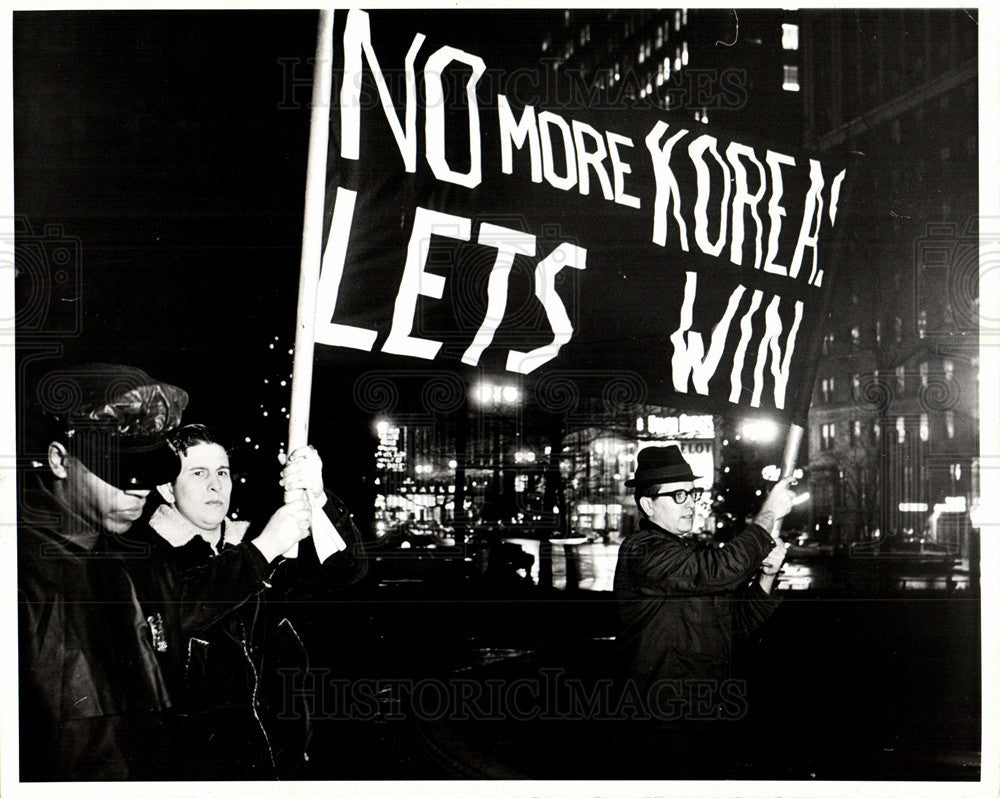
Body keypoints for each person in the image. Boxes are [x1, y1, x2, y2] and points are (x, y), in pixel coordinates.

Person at [124, 423, 368, 779]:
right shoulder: (140, 555)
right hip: (198, 774)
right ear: (166, 487)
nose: (215, 485)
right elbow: (175, 615)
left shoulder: (254, 541)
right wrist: (263, 550)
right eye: (198, 473)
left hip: (284, 761)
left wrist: (318, 496)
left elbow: (347, 569)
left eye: (222, 472)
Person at [17, 362, 189, 780]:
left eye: (147, 472)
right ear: (59, 460)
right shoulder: (20, 576)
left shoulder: (125, 555)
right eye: (117, 469)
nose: (138, 488)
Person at [613, 444, 794, 736]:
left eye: (692, 493)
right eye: (678, 495)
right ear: (648, 505)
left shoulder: (685, 556)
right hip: (662, 719)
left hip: (704, 711)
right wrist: (769, 512)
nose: (690, 504)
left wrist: (767, 576)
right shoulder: (643, 551)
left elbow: (735, 625)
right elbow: (716, 569)